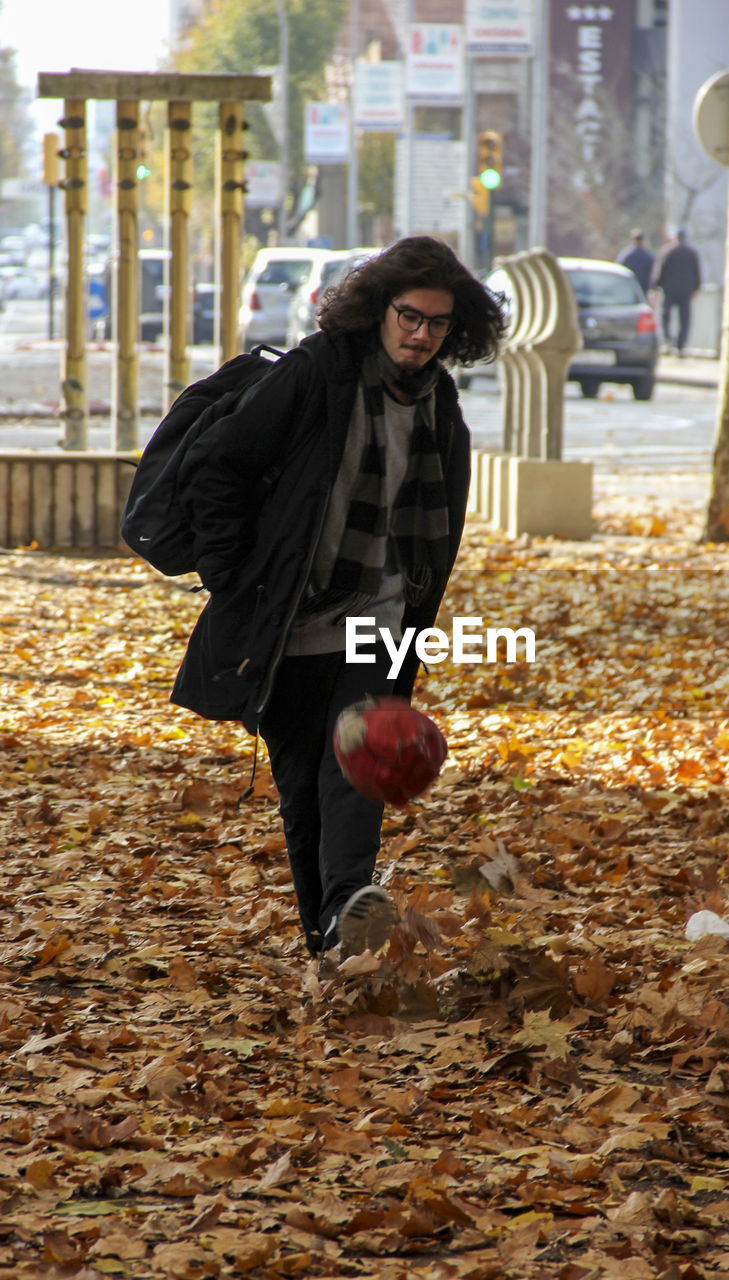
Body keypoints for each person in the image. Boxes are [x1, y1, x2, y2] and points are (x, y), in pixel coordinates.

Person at [170, 236, 506, 961]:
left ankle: (351, 909)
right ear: (379, 310)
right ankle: (328, 936)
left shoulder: (438, 402)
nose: (420, 335)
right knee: (299, 785)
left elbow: (434, 534)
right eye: (409, 316)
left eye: (437, 324)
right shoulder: (314, 374)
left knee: (357, 763)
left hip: (377, 615)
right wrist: (231, 574)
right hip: (287, 616)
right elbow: (218, 465)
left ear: (457, 328)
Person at [652, 227, 702, 355]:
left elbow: (661, 270)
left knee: (665, 316)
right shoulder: (692, 252)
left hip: (670, 290)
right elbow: (697, 272)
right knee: (684, 319)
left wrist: (656, 286)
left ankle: (668, 340)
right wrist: (696, 288)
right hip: (686, 290)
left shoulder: (669, 251)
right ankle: (680, 345)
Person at [616, 228, 655, 294]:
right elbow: (652, 274)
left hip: (628, 287)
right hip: (643, 288)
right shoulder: (648, 256)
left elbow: (618, 268)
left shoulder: (626, 254)